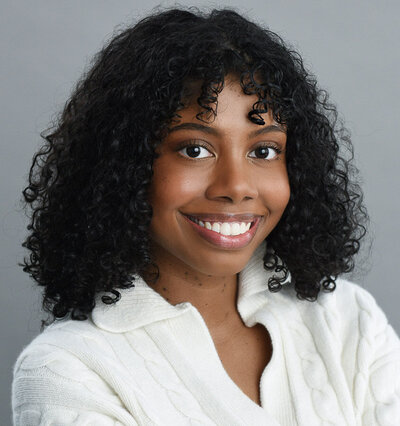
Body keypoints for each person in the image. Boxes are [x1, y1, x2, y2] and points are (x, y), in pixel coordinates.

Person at [12, 7, 400, 426]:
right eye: (195, 149)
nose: (236, 185)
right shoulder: (70, 371)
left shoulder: (348, 321)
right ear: (123, 165)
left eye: (263, 151)